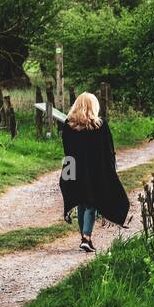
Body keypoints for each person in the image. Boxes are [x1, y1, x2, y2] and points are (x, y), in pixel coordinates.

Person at [58, 91, 129, 252]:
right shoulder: (100, 125)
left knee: (81, 202)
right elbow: (108, 150)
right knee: (91, 203)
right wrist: (110, 169)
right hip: (96, 170)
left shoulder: (68, 125)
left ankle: (84, 238)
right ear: (93, 106)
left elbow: (67, 151)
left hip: (75, 169)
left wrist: (68, 173)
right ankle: (86, 237)